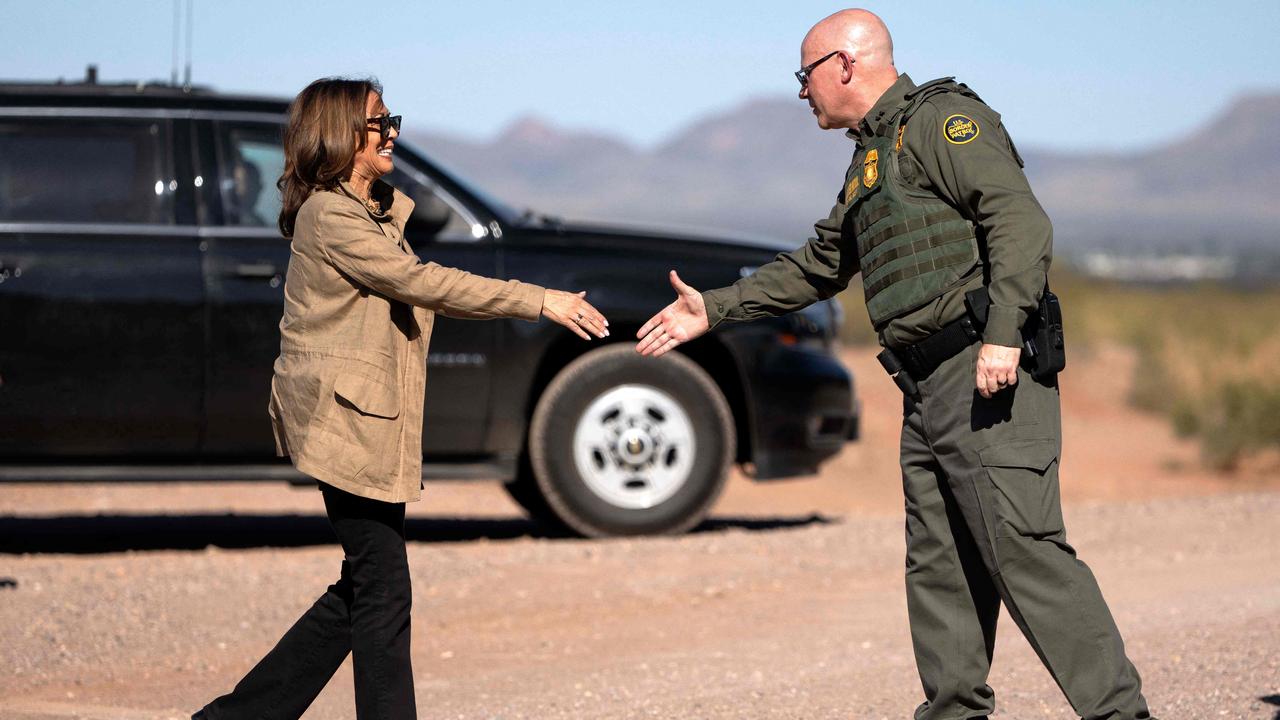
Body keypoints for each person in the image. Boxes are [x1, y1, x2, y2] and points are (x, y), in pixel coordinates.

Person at [636, 10, 1155, 720]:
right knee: (940, 566)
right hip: (926, 387)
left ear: (845, 64)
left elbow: (1021, 222)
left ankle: (1121, 714)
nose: (800, 93)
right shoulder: (872, 156)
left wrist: (1003, 333)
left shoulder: (942, 122)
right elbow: (823, 262)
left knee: (1022, 554)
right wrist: (716, 308)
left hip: (985, 371)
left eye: (805, 75)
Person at [194, 77, 609, 720]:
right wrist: (538, 299)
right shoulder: (329, 214)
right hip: (343, 420)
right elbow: (420, 282)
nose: (392, 132)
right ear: (339, 136)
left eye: (391, 119)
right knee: (383, 587)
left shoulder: (370, 210)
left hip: (361, 417)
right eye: (378, 122)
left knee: (364, 585)